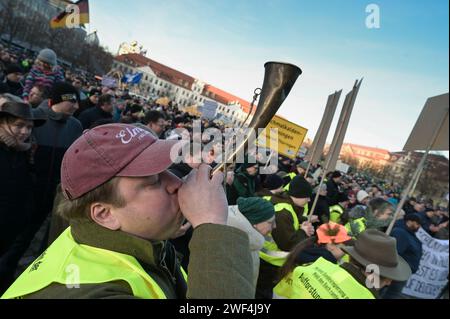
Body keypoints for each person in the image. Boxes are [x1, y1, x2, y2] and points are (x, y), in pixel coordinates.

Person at [1, 123, 254, 299]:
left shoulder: (129, 238)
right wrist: (211, 225)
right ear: (104, 214)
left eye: (168, 170)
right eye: (153, 181)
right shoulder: (93, 293)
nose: (177, 184)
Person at [273, 229, 412, 299]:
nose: (389, 282)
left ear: (351, 257)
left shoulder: (313, 266)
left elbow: (278, 294)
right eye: (389, 277)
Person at [27, 82, 83, 256]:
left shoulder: (76, 126)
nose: (76, 106)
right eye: (72, 101)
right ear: (59, 100)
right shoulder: (35, 117)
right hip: (28, 191)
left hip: (56, 196)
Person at [0, 95, 46, 293]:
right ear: (3, 123)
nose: (25, 132)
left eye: (29, 127)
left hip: (10, 228)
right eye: (19, 126)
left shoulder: (26, 152)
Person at [256, 176, 315, 299]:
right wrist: (303, 232)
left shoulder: (284, 204)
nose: (309, 200)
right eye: (307, 196)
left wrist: (301, 224)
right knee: (262, 294)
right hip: (269, 263)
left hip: (264, 259)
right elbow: (288, 243)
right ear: (298, 195)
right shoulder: (283, 211)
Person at [227, 197, 276, 288]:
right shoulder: (235, 248)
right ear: (255, 222)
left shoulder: (249, 241)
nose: (275, 226)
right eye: (270, 222)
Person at [381, 213, 423, 299]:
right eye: (417, 224)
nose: (419, 227)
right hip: (396, 270)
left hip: (402, 271)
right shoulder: (401, 232)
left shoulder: (410, 235)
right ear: (409, 221)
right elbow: (395, 252)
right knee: (388, 293)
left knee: (391, 293)